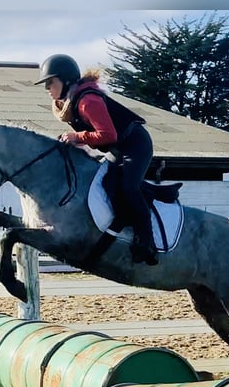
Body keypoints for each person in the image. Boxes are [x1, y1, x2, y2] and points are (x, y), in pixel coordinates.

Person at [35, 54, 158, 266]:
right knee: (104, 184)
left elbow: (109, 135)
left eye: (50, 82)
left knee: (128, 187)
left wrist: (77, 137)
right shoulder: (72, 102)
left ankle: (147, 241)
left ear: (65, 81)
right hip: (118, 148)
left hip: (135, 145)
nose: (47, 88)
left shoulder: (87, 102)